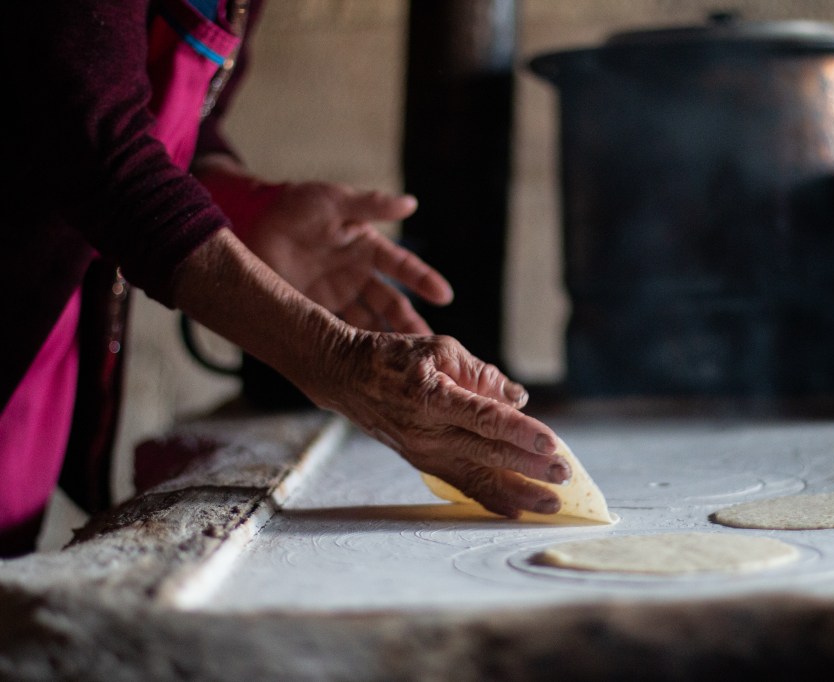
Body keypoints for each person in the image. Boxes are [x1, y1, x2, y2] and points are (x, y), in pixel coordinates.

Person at [0, 0, 569, 558]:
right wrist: (336, 359)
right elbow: (89, 140)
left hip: (38, 362)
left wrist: (244, 205)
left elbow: (170, 120)